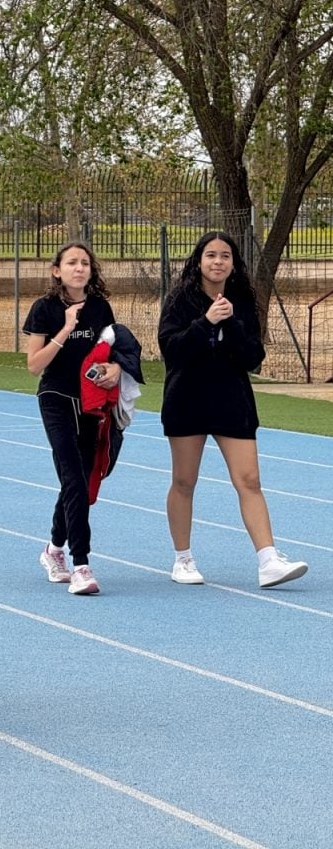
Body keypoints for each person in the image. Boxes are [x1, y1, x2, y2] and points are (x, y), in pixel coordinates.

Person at [158, 231, 308, 588]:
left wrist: (231, 324)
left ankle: (268, 559)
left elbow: (254, 356)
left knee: (250, 480)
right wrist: (206, 321)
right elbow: (171, 349)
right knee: (184, 481)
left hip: (231, 400)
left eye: (225, 256)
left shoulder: (242, 298)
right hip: (187, 399)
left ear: (233, 263)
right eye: (211, 255)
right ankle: (183, 558)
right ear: (199, 261)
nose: (218, 262)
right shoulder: (181, 299)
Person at [23, 242, 121, 596]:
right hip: (56, 399)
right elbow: (34, 365)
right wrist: (65, 330)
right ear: (57, 270)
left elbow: (112, 352)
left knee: (79, 480)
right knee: (74, 478)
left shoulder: (100, 308)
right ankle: (81, 564)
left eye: (85, 263)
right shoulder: (44, 309)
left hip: (92, 403)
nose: (79, 268)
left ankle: (52, 550)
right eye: (71, 263)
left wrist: (113, 369)